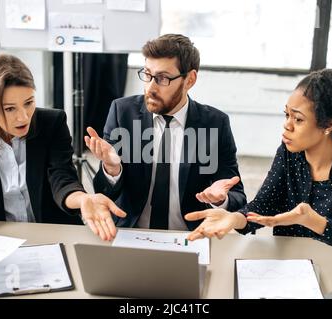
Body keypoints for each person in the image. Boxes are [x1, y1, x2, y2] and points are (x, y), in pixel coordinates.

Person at [185, 69, 332, 262]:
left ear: (328, 125)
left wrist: (311, 220)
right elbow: (262, 206)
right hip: (286, 268)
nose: (287, 125)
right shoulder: (289, 154)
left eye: (298, 119)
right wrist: (234, 218)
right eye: (287, 115)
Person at [0, 54, 125, 259]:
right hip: (0, 238)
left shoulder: (52, 122)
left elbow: (62, 178)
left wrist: (83, 199)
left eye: (28, 103)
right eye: (9, 108)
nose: (24, 116)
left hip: (51, 231)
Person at [86, 34, 247, 240]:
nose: (150, 88)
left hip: (190, 237)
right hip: (131, 233)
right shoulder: (122, 112)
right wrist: (112, 169)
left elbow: (238, 198)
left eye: (162, 78)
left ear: (190, 79)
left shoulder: (215, 123)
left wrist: (220, 200)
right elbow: (105, 193)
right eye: (147, 74)